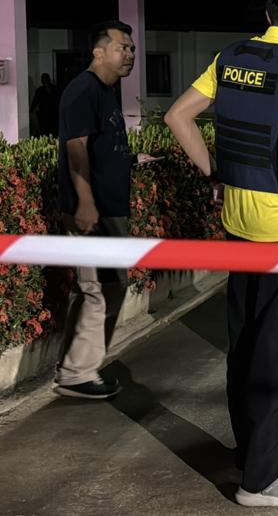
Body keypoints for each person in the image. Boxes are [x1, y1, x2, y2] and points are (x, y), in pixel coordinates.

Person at [163, 0, 278, 507]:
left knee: (245, 346)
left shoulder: (231, 56)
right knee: (275, 356)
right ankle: (261, 480)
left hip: (237, 223)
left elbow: (177, 116)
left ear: (268, 16)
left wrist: (214, 172)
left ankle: (253, 452)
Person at [54, 21, 149, 401]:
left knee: (104, 287)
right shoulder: (84, 90)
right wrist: (86, 202)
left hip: (109, 208)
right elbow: (75, 149)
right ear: (98, 51)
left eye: (132, 49)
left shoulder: (106, 92)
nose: (130, 54)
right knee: (98, 288)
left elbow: (99, 147)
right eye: (122, 47)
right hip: (95, 211)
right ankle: (77, 373)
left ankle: (77, 367)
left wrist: (130, 159)